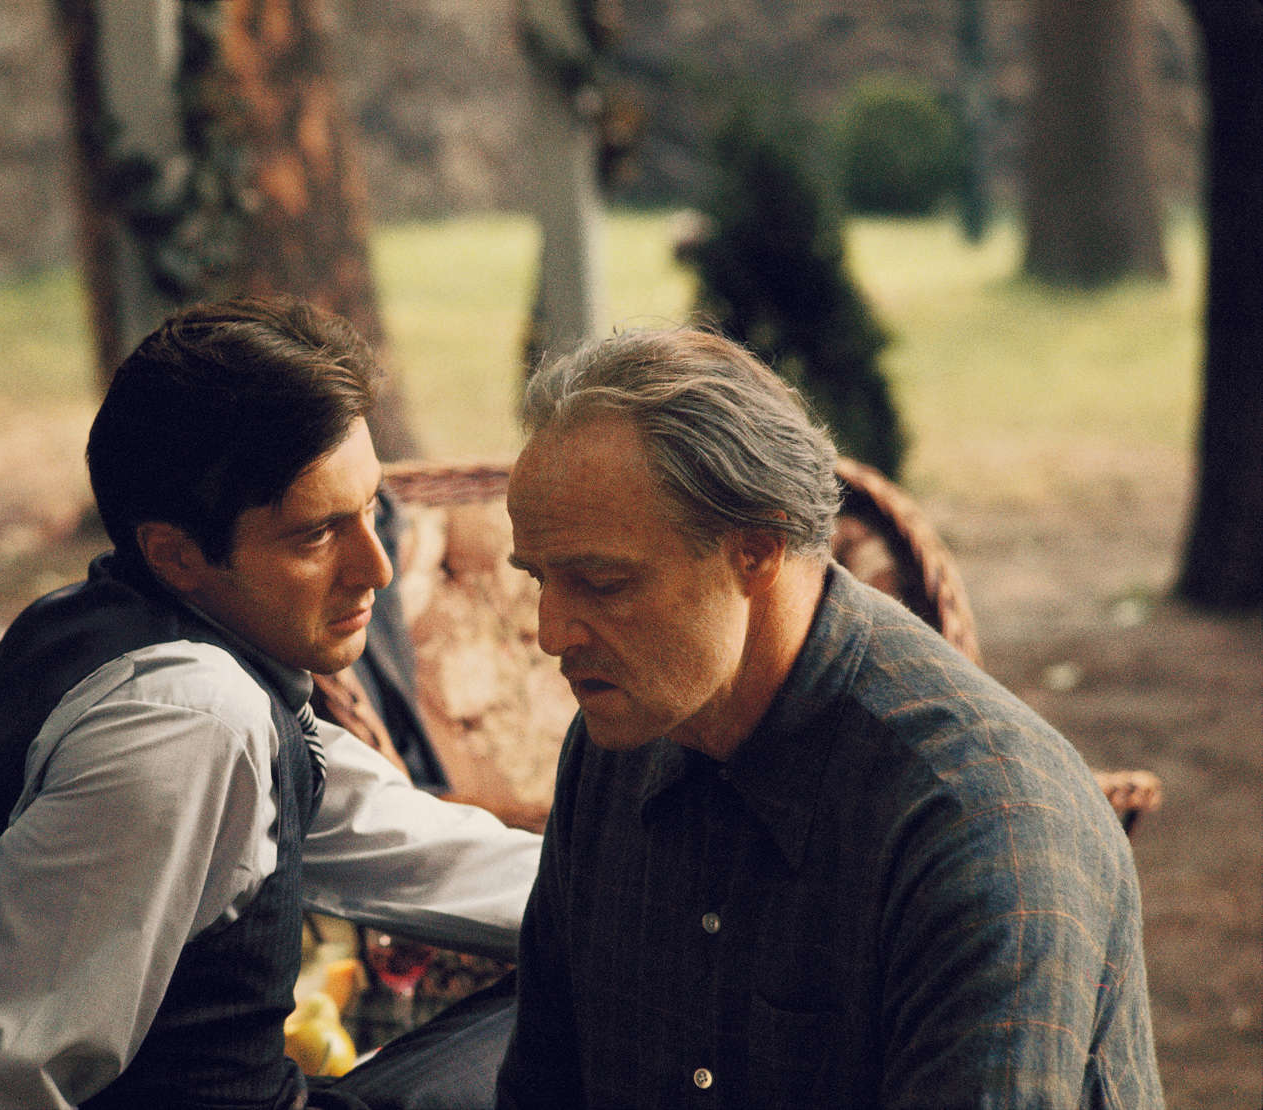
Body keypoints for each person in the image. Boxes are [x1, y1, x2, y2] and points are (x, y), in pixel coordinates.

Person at [0, 296, 539, 1110]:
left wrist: (679, 902)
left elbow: (419, 849)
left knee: (607, 974)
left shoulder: (134, 644)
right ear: (179, 555)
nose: (376, 569)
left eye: (370, 513)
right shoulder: (186, 723)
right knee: (589, 1020)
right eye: (316, 535)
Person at [495, 326, 1164, 1107]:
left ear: (757, 551)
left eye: (603, 583)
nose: (549, 633)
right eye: (538, 577)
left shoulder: (983, 826)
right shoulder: (622, 737)